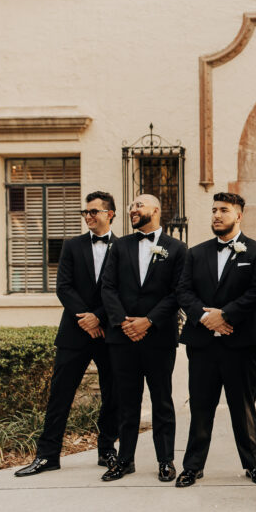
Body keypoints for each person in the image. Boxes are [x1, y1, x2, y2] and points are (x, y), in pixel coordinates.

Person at [15, 191, 119, 476]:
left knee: (113, 394)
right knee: (60, 395)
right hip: (74, 333)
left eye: (93, 211)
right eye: (85, 212)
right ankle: (48, 456)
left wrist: (98, 317)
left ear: (109, 213)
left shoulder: (123, 248)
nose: (88, 216)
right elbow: (63, 287)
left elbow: (122, 291)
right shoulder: (73, 246)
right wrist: (86, 318)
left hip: (108, 334)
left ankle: (107, 450)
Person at [176, 192, 256, 487]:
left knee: (243, 407)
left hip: (241, 343)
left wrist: (225, 316)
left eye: (224, 210)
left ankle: (253, 464)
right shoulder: (196, 253)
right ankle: (192, 466)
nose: (217, 215)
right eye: (214, 210)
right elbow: (183, 291)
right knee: (201, 406)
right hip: (202, 344)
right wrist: (205, 318)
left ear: (239, 215)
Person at [100, 194, 186, 482]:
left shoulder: (177, 249)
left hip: (158, 337)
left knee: (162, 400)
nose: (132, 209)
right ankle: (124, 460)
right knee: (127, 401)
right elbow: (108, 287)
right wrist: (123, 322)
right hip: (122, 337)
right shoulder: (119, 246)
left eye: (139, 205)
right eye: (131, 205)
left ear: (156, 210)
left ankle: (165, 460)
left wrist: (149, 321)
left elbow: (178, 293)